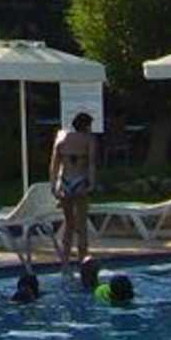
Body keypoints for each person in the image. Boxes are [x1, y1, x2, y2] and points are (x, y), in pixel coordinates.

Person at [49, 111, 97, 268]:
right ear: (87, 126)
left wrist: (53, 185)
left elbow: (54, 164)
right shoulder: (89, 139)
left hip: (65, 181)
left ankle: (65, 261)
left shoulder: (61, 137)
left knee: (69, 223)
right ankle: (83, 261)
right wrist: (92, 183)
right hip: (80, 181)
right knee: (82, 224)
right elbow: (91, 163)